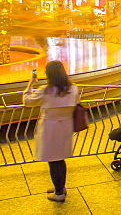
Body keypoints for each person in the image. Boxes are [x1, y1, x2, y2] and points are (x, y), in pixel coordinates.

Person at [23, 61, 79, 202]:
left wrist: (30, 84)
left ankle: (59, 193)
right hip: (65, 126)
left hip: (49, 127)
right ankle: (60, 187)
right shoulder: (73, 88)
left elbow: (27, 101)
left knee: (54, 160)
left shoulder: (46, 90)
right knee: (60, 158)